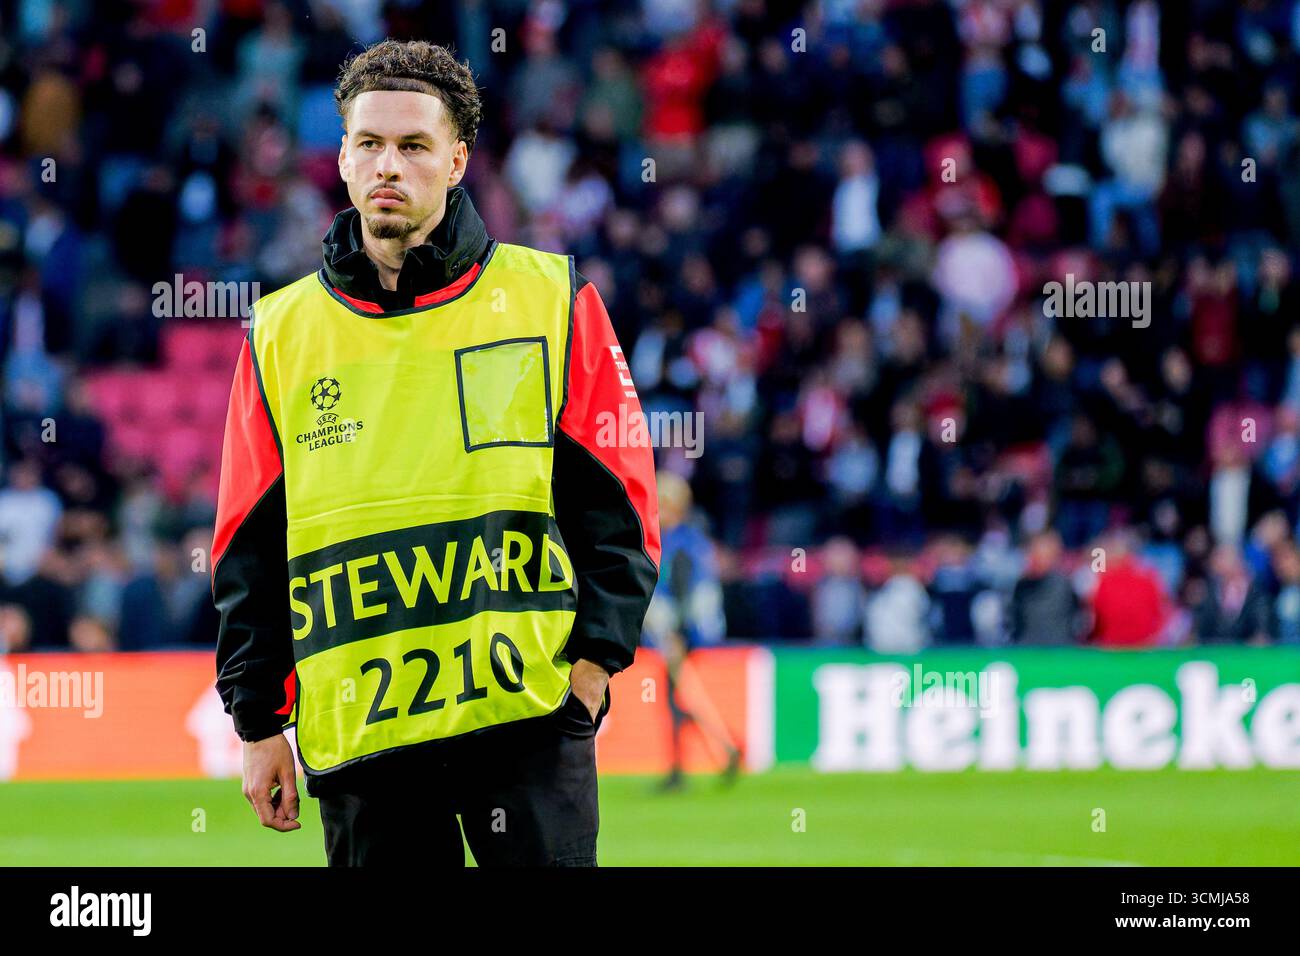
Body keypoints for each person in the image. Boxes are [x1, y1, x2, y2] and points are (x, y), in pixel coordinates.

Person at [211, 41, 660, 866]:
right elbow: (246, 546)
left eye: (414, 146)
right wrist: (257, 722)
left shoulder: (551, 298)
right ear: (342, 156)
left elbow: (621, 504)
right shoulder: (278, 333)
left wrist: (594, 666)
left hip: (526, 724)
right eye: (370, 143)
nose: (390, 165)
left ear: (456, 160)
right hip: (363, 735)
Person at [641, 471, 741, 790]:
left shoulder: (679, 544)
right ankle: (708, 754)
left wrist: (677, 636)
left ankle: (707, 756)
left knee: (676, 700)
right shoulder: (688, 541)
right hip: (680, 634)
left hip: (681, 635)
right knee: (678, 699)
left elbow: (684, 593)